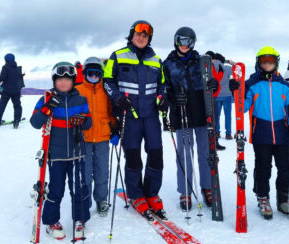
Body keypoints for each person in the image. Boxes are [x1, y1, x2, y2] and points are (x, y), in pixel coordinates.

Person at [229, 46, 289, 221]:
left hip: (282, 133)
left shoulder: (284, 85)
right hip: (261, 133)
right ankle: (263, 198)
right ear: (258, 63)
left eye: (271, 60)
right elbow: (243, 107)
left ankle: (284, 199)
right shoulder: (252, 83)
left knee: (286, 167)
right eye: (264, 60)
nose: (267, 63)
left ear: (276, 62)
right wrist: (236, 91)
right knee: (263, 168)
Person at [103, 20, 168, 220]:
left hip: (150, 116)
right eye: (138, 34)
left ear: (149, 39)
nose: (141, 38)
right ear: (132, 35)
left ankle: (151, 192)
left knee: (156, 155)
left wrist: (163, 97)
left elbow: (163, 84)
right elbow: (107, 80)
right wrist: (117, 97)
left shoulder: (156, 60)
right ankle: (136, 195)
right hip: (128, 115)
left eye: (146, 35)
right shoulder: (118, 56)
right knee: (133, 156)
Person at [30, 62, 92, 240]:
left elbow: (89, 123)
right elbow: (35, 123)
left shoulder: (81, 100)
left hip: (77, 152)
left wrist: (82, 120)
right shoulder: (45, 98)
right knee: (56, 189)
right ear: (54, 81)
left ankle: (80, 219)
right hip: (56, 155)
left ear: (73, 81)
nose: (64, 83)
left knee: (79, 188)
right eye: (60, 80)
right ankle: (51, 221)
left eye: (67, 79)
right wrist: (47, 107)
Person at [163, 27, 219, 211]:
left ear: (193, 43)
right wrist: (172, 99)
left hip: (202, 111)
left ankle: (207, 187)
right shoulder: (168, 64)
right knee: (185, 153)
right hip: (182, 112)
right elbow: (164, 89)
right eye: (181, 41)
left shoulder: (202, 61)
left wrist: (213, 84)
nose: (184, 45)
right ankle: (185, 190)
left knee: (205, 151)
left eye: (188, 41)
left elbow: (212, 85)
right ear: (175, 41)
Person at [75, 57, 117, 217]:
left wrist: (114, 129)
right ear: (85, 73)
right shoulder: (78, 90)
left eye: (97, 73)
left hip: (102, 137)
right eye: (90, 73)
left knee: (102, 170)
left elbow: (111, 112)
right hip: (83, 138)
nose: (94, 77)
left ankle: (101, 199)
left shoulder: (106, 90)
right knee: (84, 171)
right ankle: (85, 201)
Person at [0, 53, 23, 128]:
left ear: (6, 60)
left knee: (2, 106)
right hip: (16, 91)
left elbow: (2, 77)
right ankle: (16, 121)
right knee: (17, 106)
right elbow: (19, 78)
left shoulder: (5, 67)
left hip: (6, 91)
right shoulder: (17, 68)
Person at [205, 51, 226, 150]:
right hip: (212, 97)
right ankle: (212, 142)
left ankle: (212, 142)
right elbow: (216, 80)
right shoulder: (208, 66)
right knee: (213, 120)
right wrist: (221, 72)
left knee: (213, 120)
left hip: (212, 97)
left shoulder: (209, 66)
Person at [214, 53, 234, 140]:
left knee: (216, 116)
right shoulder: (227, 68)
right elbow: (239, 69)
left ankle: (217, 133)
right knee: (228, 115)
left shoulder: (211, 68)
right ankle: (228, 134)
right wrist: (232, 63)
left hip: (216, 95)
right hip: (227, 95)